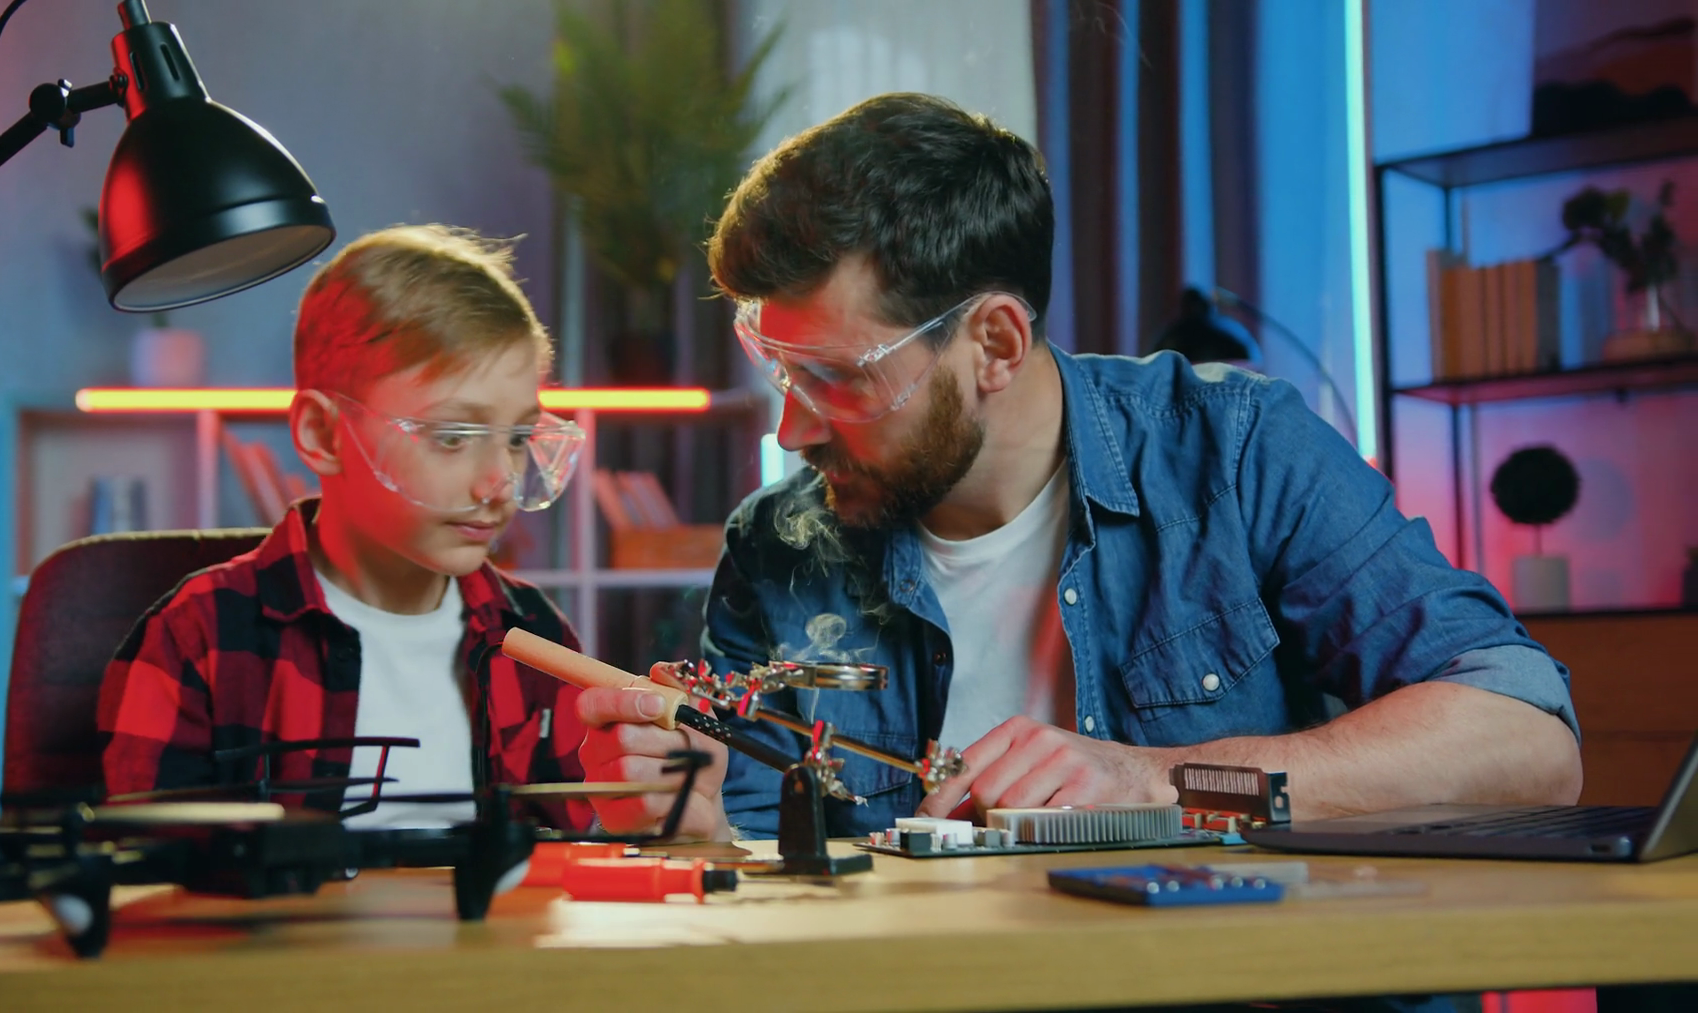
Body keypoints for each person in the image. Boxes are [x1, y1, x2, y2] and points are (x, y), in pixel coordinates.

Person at [576, 93, 1581, 841]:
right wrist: (696, 823)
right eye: (782, 371)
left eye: (838, 378)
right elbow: (761, 863)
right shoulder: (777, 547)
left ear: (995, 344)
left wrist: (1155, 781)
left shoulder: (1234, 452)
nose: (793, 430)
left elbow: (1528, 742)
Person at [99, 225, 593, 832]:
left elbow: (585, 851)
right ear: (323, 434)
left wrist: (651, 801)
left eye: (517, 439)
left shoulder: (535, 635)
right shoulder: (198, 638)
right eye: (452, 437)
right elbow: (152, 872)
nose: (499, 482)